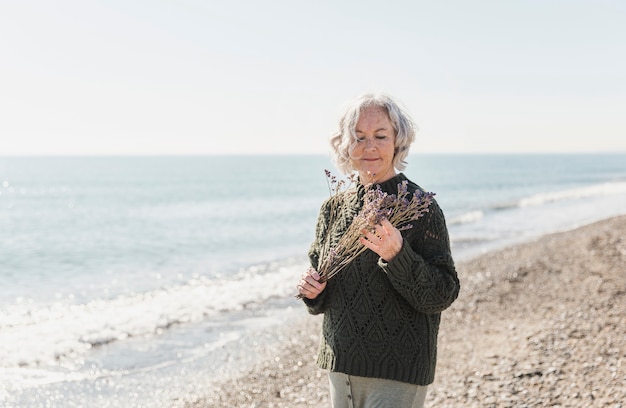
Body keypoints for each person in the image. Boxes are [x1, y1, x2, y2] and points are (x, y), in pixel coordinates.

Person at [296, 93, 460, 407]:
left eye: (380, 136)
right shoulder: (332, 208)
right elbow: (324, 296)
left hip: (397, 372)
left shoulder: (419, 207)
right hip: (340, 364)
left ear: (398, 141)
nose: (370, 146)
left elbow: (443, 293)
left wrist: (399, 256)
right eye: (359, 137)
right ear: (344, 144)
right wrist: (312, 292)